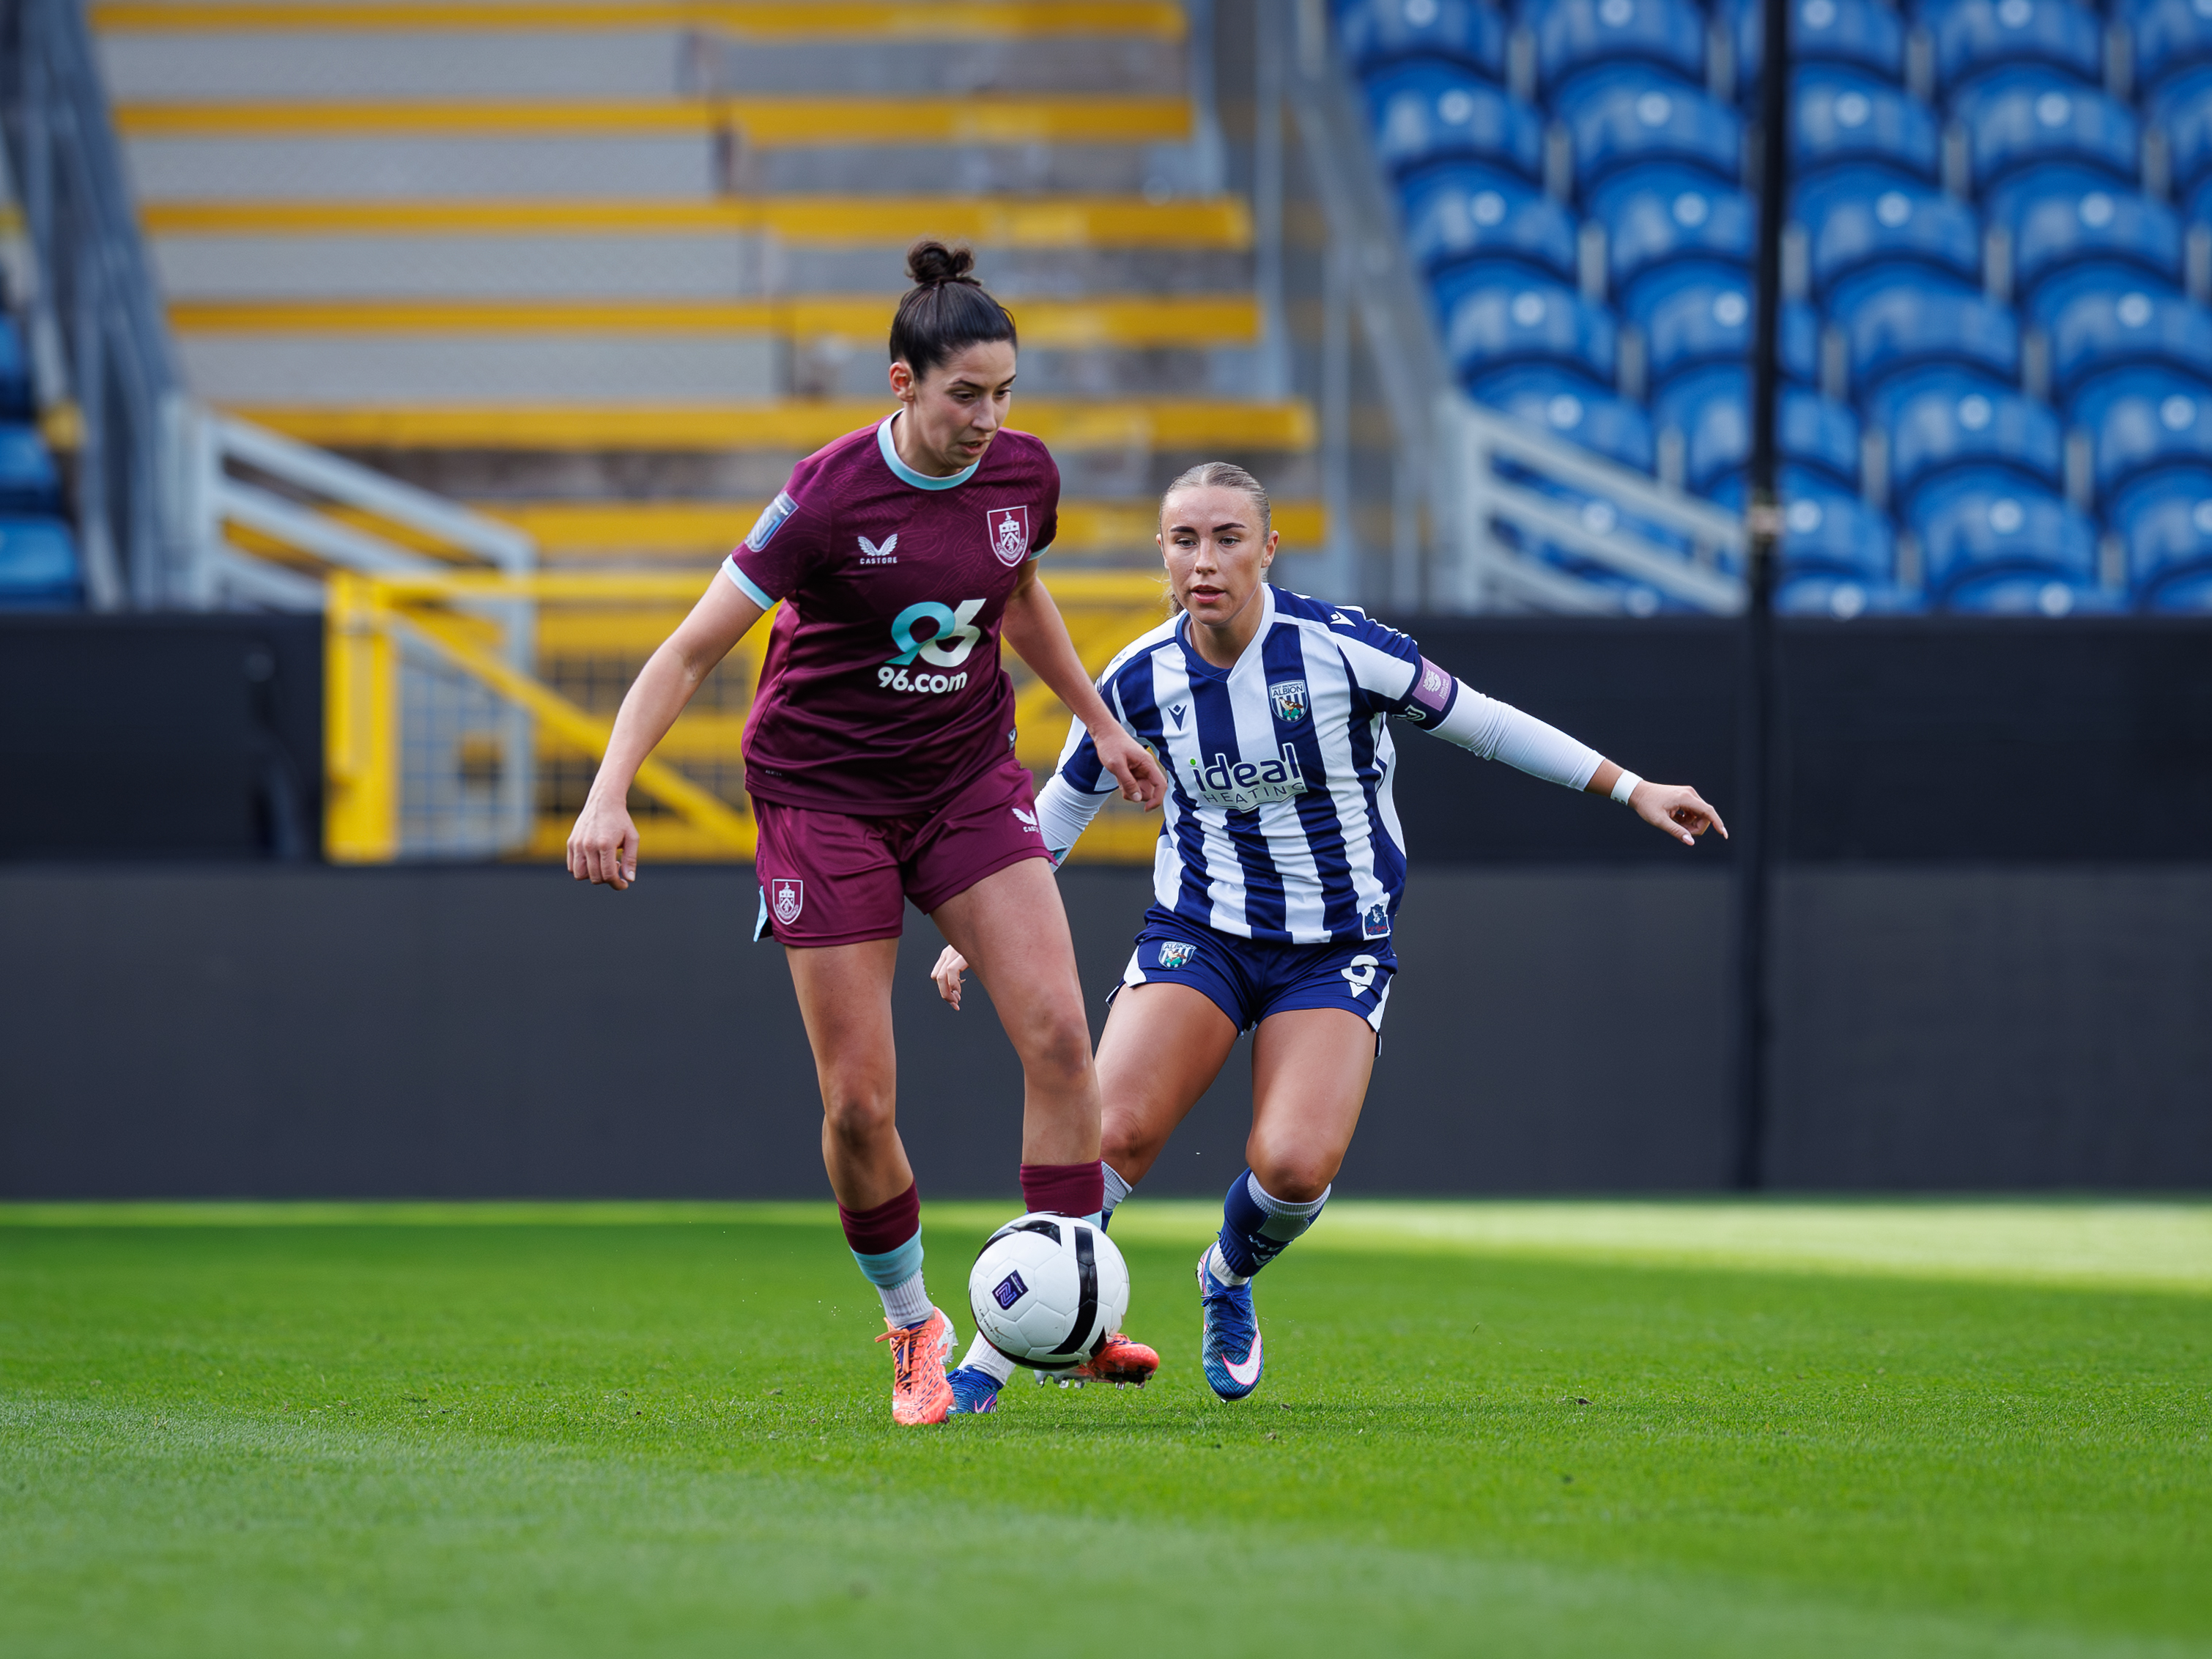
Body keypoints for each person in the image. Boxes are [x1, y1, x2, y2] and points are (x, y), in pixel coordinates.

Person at [930, 462, 1725, 1408]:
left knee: (1294, 1166)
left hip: (1336, 945)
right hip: (1201, 930)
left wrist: (1632, 788)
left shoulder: (1342, 650)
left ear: (1268, 549)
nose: (1205, 560)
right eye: (1184, 540)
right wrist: (977, 923)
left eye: (1228, 538)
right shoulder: (1137, 676)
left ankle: (1224, 1276)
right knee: (1114, 1133)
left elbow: (1485, 723)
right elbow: (1061, 802)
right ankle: (994, 1355)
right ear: (1162, 555)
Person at [566, 240, 1166, 1426]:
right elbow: (691, 649)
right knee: (858, 1106)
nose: (989, 417)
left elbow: (1016, 592)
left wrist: (1096, 719)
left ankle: (1069, 1310)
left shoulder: (1022, 477)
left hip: (963, 781)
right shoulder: (828, 495)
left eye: (1003, 393)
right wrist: (606, 790)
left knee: (1057, 1032)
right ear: (903, 384)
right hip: (821, 797)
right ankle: (911, 1325)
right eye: (964, 394)